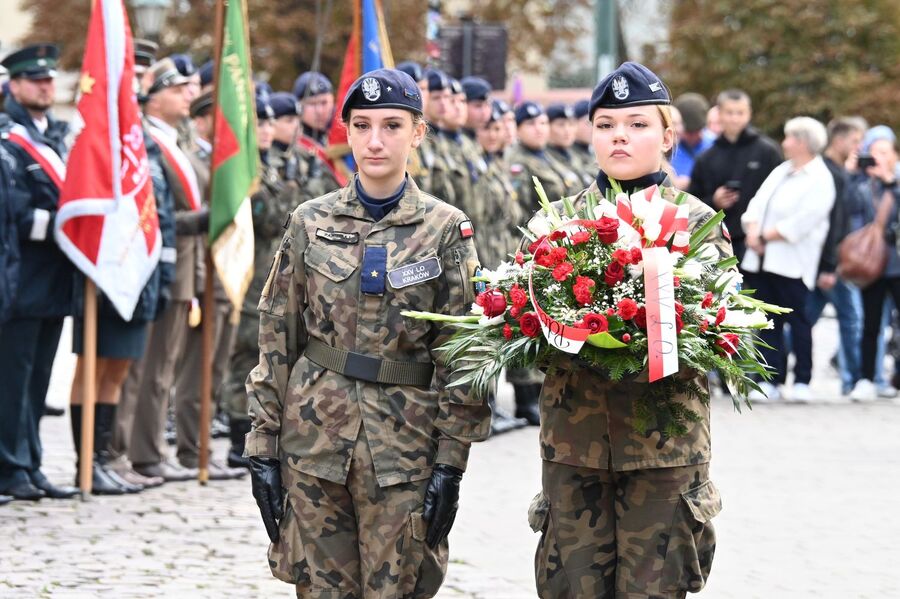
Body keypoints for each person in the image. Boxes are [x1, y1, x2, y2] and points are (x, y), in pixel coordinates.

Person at [245, 68, 491, 597]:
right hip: (313, 439)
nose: (375, 140)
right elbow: (276, 336)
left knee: (397, 587)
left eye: (392, 126)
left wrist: (452, 461)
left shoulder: (445, 228)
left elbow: (465, 353)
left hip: (404, 446)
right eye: (362, 125)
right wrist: (262, 445)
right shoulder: (309, 221)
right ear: (347, 133)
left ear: (418, 132)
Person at [530, 62, 731, 598]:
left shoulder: (698, 223)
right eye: (606, 124)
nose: (619, 134)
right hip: (575, 446)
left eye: (637, 124)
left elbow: (716, 332)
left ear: (668, 136)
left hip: (663, 449)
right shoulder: (558, 224)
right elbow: (526, 328)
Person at [0, 43, 79, 501]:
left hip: (54, 278)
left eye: (50, 80)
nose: (46, 87)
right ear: (14, 86)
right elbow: (16, 212)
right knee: (13, 378)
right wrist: (68, 227)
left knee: (39, 378)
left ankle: (30, 463)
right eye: (36, 80)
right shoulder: (10, 141)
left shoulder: (55, 139)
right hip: (21, 278)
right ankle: (10, 466)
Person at [119, 58, 203, 482]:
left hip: (185, 265)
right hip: (160, 262)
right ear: (155, 98)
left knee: (164, 368)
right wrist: (202, 218)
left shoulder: (174, 141)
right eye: (178, 88)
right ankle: (139, 452)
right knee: (146, 368)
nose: (189, 94)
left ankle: (150, 449)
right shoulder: (148, 141)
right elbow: (156, 211)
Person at [222, 92, 300, 469]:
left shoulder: (275, 166)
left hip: (277, 272)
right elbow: (267, 217)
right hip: (250, 273)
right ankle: (238, 433)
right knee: (245, 355)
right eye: (261, 124)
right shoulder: (248, 170)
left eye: (272, 123)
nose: (268, 131)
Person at [741, 117, 835, 402]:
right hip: (762, 259)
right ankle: (770, 378)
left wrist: (764, 236)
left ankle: (803, 379)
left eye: (789, 137)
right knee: (768, 321)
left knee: (800, 322)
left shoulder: (820, 178)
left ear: (803, 142)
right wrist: (753, 229)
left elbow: (803, 221)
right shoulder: (782, 170)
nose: (784, 143)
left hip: (792, 263)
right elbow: (757, 203)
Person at [807, 117, 867, 396]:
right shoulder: (831, 174)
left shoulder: (832, 171)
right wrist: (829, 265)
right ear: (839, 140)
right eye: (855, 141)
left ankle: (778, 371)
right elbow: (834, 223)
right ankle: (852, 380)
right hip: (834, 260)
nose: (858, 147)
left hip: (829, 259)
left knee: (806, 317)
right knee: (851, 318)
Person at [688, 89, 782, 262]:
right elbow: (692, 201)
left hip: (761, 242)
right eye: (729, 112)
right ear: (719, 114)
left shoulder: (767, 151)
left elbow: (782, 195)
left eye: (740, 112)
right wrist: (714, 201)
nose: (735, 118)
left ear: (749, 114)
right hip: (719, 242)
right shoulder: (706, 158)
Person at [848, 126, 900, 402]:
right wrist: (853, 173)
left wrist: (891, 183)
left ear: (894, 155)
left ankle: (896, 378)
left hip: (897, 265)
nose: (878, 158)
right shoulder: (861, 185)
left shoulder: (897, 182)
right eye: (873, 152)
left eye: (884, 152)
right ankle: (866, 377)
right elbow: (850, 211)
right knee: (871, 324)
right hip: (873, 265)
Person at [506, 101, 573, 213]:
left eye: (543, 123)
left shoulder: (549, 155)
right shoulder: (517, 162)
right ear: (517, 129)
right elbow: (521, 210)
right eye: (530, 123)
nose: (538, 128)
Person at [293, 70, 343, 192]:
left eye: (324, 102)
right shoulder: (292, 143)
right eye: (312, 104)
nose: (319, 111)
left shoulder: (343, 137)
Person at [671, 93, 715, 190]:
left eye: (698, 130)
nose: (694, 137)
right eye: (689, 132)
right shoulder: (668, 149)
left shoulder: (715, 144)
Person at [545, 102, 592, 189]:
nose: (567, 130)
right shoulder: (544, 158)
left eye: (571, 124)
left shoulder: (573, 155)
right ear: (547, 127)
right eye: (561, 125)